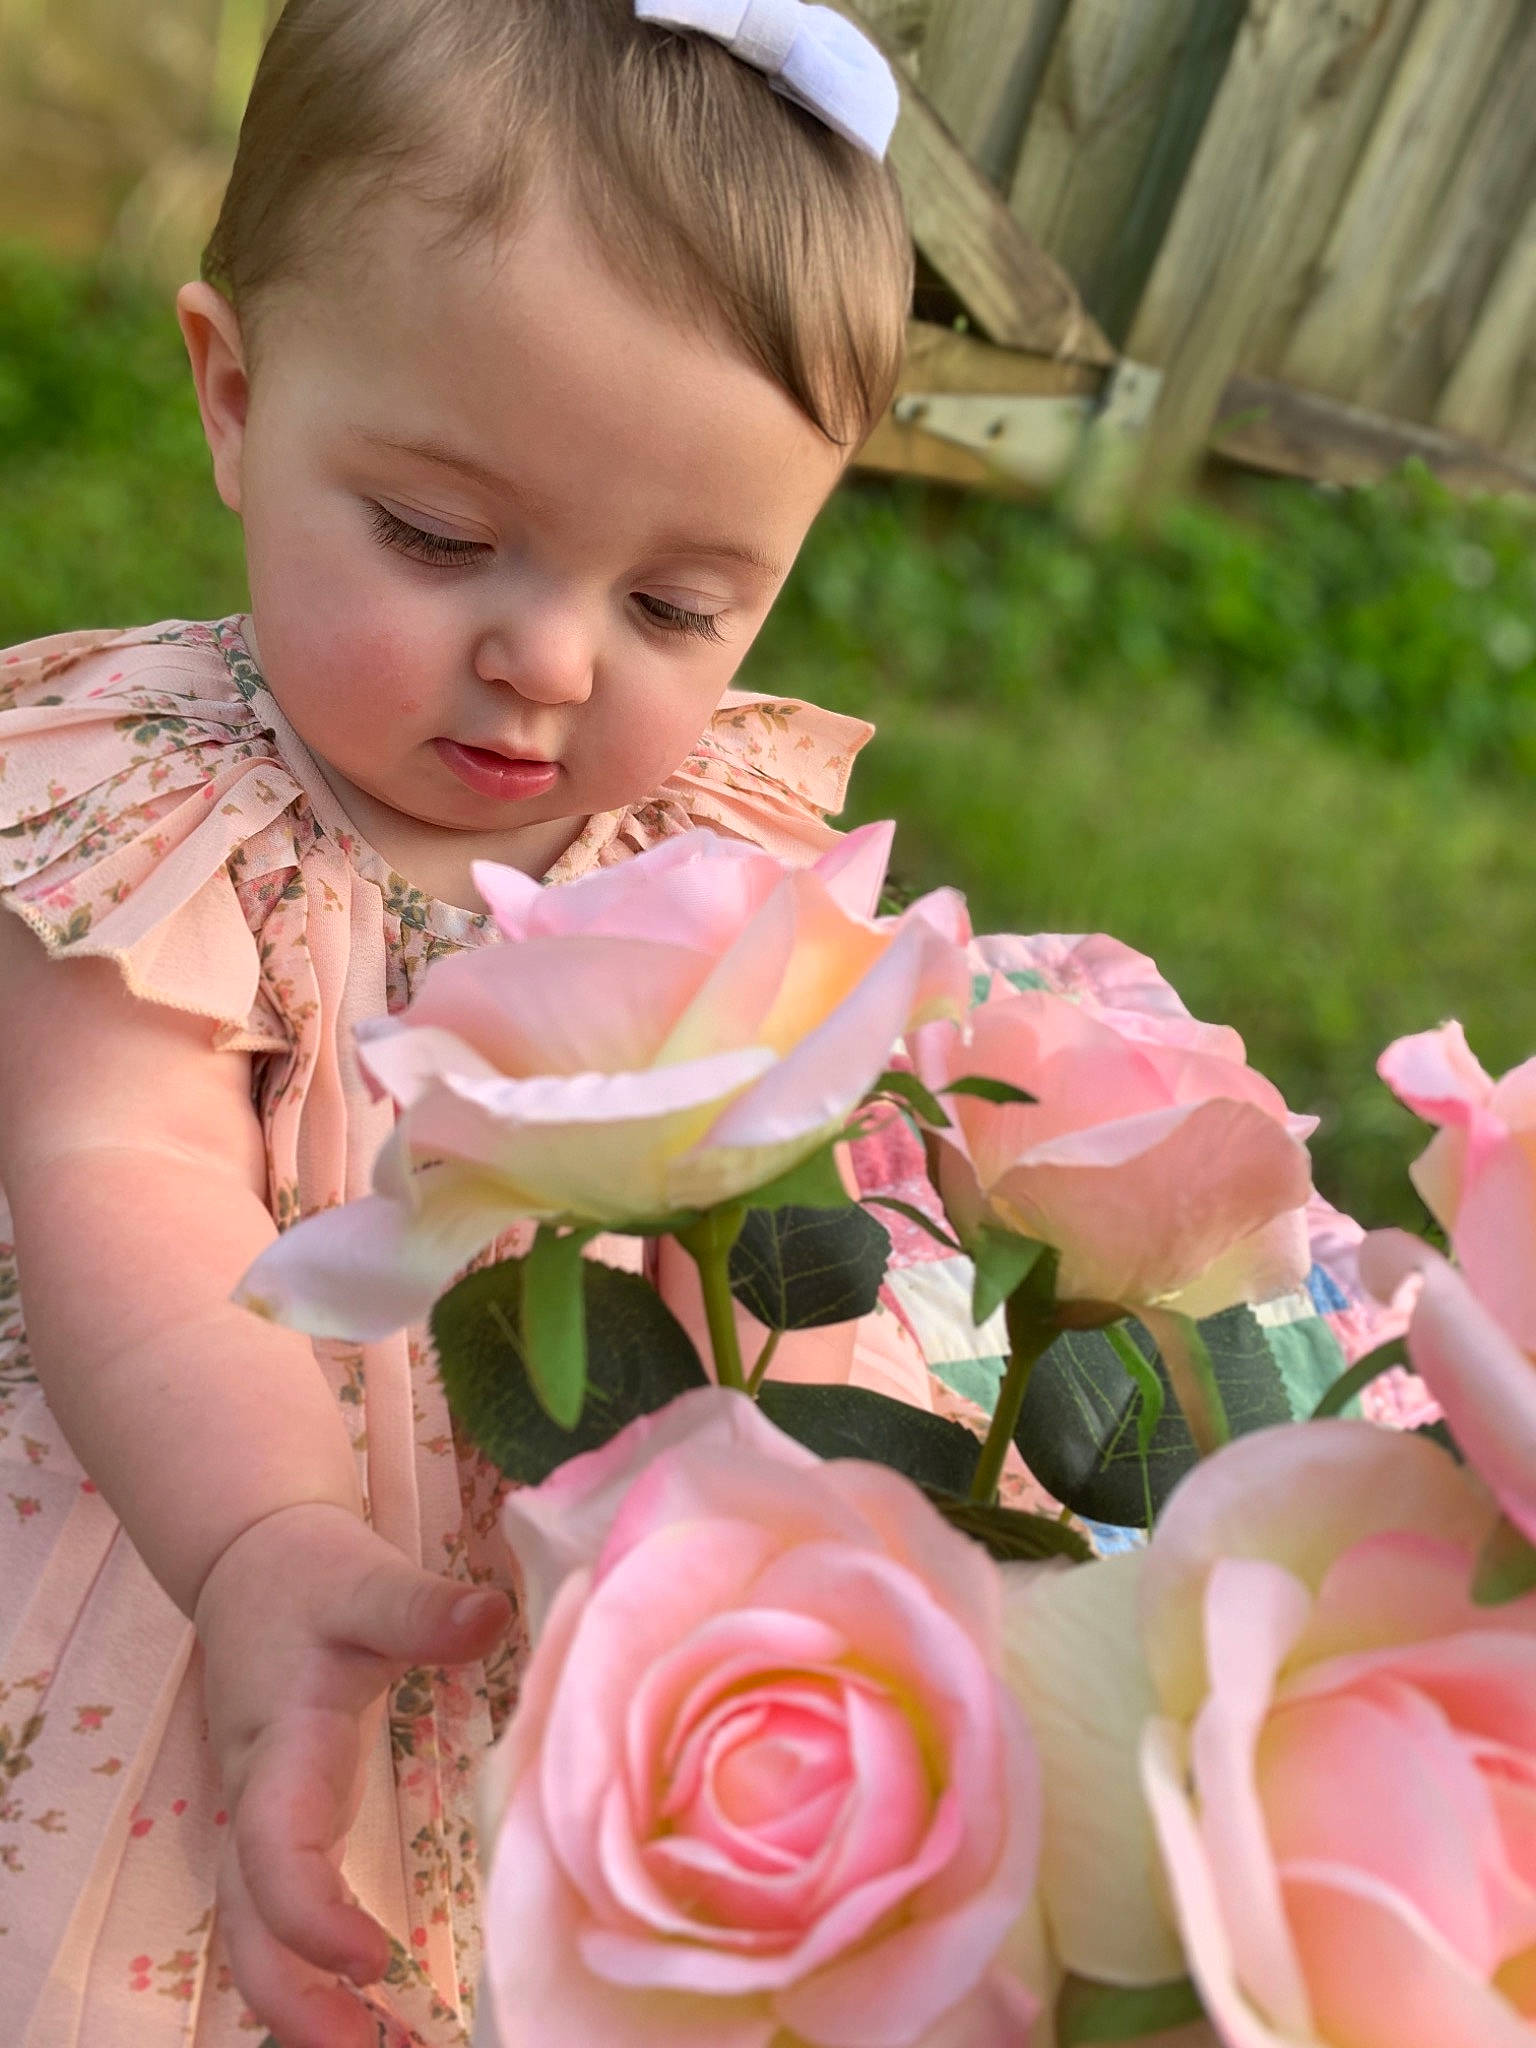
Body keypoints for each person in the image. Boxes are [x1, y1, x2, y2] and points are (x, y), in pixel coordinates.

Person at [0, 4, 915, 2043]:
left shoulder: (707, 836)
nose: (548, 659)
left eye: (680, 604)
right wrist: (256, 1539)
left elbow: (772, 1171)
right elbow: (120, 1180)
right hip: (205, 1531)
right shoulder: (150, 808)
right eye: (432, 535)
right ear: (234, 396)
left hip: (554, 1556)